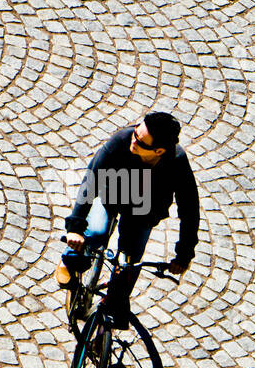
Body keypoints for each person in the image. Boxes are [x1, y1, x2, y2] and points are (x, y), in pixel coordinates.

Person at [55, 111, 199, 325]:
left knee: (128, 266)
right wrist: (75, 228)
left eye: (140, 141)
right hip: (110, 197)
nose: (133, 139)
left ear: (159, 151)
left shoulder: (176, 162)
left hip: (142, 213)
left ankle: (105, 328)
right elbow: (91, 181)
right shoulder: (121, 141)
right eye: (135, 133)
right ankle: (70, 262)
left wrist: (184, 255)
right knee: (95, 233)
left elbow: (189, 209)